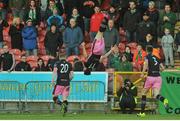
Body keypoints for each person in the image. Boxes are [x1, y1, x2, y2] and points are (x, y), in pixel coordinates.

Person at [137, 45, 169, 117]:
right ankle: (164, 100)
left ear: (146, 51)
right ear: (152, 51)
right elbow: (163, 68)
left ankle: (142, 113)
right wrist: (157, 69)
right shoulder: (157, 58)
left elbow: (146, 65)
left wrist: (142, 73)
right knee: (156, 95)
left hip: (150, 77)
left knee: (143, 93)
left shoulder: (147, 57)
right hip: (158, 78)